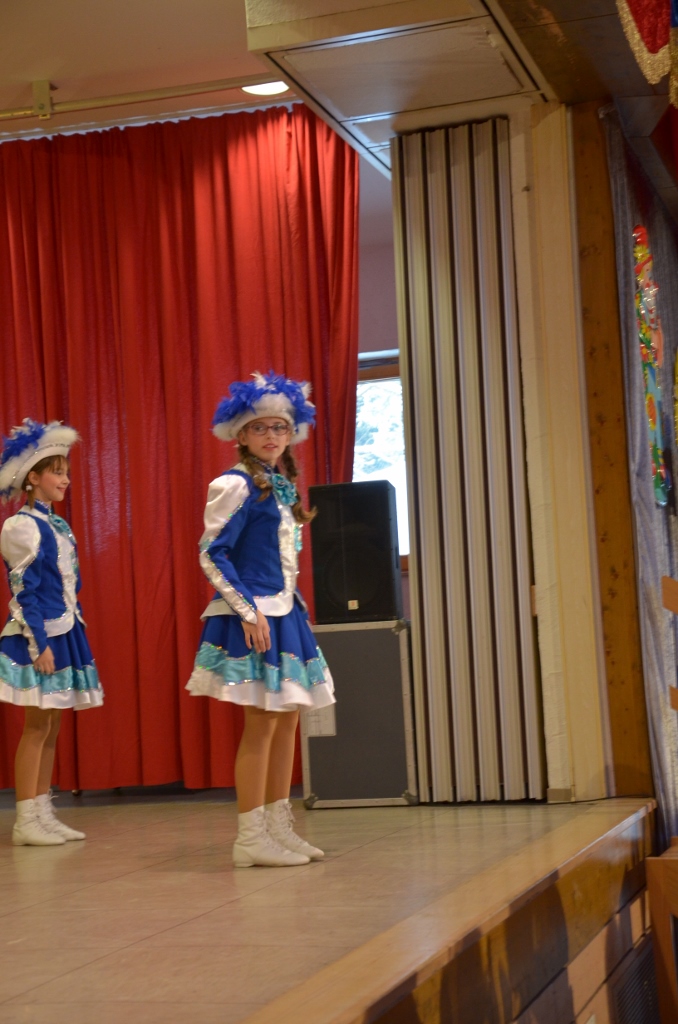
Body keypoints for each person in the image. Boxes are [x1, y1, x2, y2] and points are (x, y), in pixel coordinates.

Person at [186, 372, 335, 867]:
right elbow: (212, 553)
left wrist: (291, 607)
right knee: (262, 724)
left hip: (285, 613)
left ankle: (277, 826)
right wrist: (247, 610)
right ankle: (250, 837)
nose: (271, 435)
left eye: (280, 427)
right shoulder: (234, 484)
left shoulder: (281, 486)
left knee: (287, 719)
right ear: (241, 434)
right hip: (253, 616)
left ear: (291, 434)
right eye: (260, 427)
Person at [0, 419, 103, 846]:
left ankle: (42, 811)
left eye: (66, 472)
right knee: (36, 726)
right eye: (57, 472)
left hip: (64, 629)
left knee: (52, 724)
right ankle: (26, 819)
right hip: (37, 635)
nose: (65, 479)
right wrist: (38, 643)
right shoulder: (21, 526)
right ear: (32, 478)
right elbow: (24, 591)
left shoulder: (57, 524)